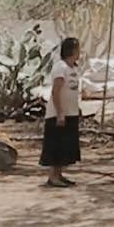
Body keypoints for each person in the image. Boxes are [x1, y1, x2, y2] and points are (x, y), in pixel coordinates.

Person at [40, 37, 82, 188]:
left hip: (71, 112)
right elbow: (56, 91)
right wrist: (59, 113)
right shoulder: (60, 67)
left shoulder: (73, 69)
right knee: (56, 144)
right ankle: (53, 176)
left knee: (66, 146)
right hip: (58, 114)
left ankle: (60, 174)